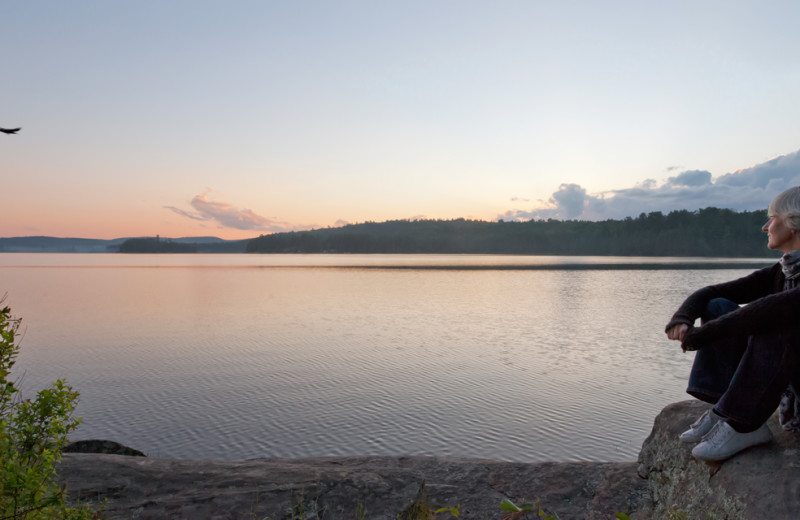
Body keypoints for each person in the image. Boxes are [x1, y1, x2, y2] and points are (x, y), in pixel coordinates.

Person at [665, 186, 800, 462]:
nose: (765, 226)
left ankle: (743, 424)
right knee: (718, 307)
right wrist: (683, 318)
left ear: (794, 223)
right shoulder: (782, 270)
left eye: (772, 217)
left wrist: (702, 335)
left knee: (774, 322)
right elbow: (713, 293)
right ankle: (725, 410)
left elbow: (771, 310)